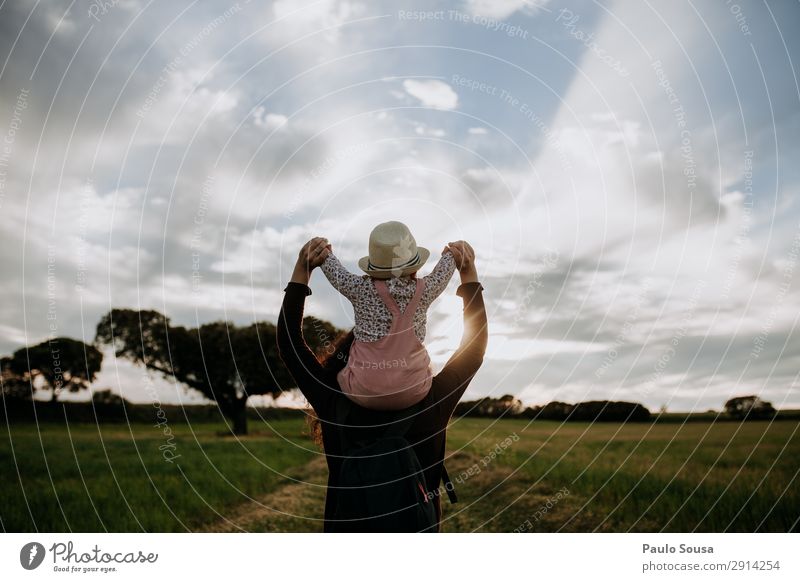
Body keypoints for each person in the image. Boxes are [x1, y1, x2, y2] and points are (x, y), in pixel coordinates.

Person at [276, 237, 488, 532]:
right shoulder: (432, 400)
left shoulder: (333, 398)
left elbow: (290, 345)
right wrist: (467, 273)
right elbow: (474, 348)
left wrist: (302, 271)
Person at [318, 220, 456, 410]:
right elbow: (445, 270)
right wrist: (450, 254)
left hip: (360, 391)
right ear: (414, 267)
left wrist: (326, 253)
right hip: (413, 392)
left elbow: (336, 272)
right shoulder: (426, 290)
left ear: (373, 266)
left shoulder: (359, 289)